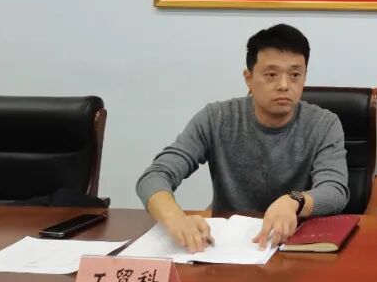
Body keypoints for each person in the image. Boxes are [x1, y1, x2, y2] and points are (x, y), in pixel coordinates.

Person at [135, 24, 348, 252]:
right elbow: (154, 176)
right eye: (271, 75)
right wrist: (176, 219)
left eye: (295, 75)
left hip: (295, 243)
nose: (284, 85)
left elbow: (335, 190)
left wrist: (294, 201)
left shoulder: (324, 123)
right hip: (226, 246)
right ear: (249, 78)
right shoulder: (217, 118)